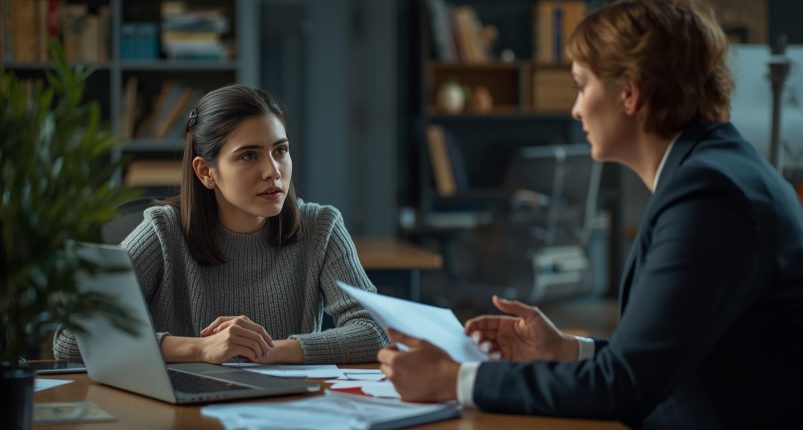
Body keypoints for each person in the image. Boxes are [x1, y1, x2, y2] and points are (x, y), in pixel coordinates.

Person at [377, 0, 803, 428]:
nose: (575, 109)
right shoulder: (720, 170)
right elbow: (671, 356)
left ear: (630, 93)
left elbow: (626, 386)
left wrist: (454, 380)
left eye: (582, 86)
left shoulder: (708, 196)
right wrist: (565, 350)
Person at [55, 84, 387, 364]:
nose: (273, 171)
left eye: (280, 150)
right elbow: (71, 337)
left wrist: (269, 350)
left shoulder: (321, 226)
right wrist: (201, 348)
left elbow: (375, 331)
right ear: (206, 172)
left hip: (288, 409)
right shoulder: (163, 230)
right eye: (248, 155)